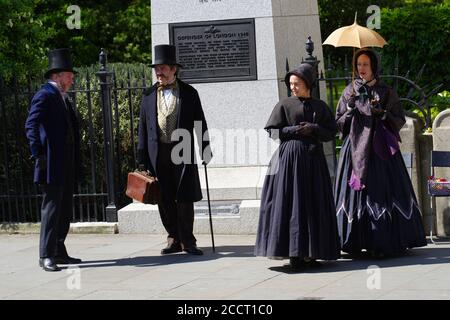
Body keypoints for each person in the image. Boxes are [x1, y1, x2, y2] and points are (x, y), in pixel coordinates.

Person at [335, 47, 427, 258]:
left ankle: (382, 241)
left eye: (366, 64)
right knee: (355, 195)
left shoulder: (385, 91)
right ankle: (355, 241)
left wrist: (382, 114)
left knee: (380, 190)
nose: (362, 68)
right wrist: (350, 109)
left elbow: (399, 118)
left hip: (380, 151)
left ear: (374, 66)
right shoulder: (350, 91)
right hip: (356, 150)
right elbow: (338, 122)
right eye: (359, 65)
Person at [254, 63, 340, 270]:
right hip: (289, 162)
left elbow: (331, 132)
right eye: (291, 84)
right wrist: (294, 130)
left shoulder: (320, 106)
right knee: (292, 203)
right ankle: (294, 253)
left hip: (313, 162)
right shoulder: (284, 105)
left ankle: (312, 252)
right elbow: (274, 132)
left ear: (308, 83)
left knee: (312, 204)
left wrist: (314, 128)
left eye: (297, 83)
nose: (293, 87)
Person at [137, 44, 212, 256]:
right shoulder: (148, 94)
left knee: (185, 197)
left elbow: (200, 123)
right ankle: (173, 239)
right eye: (156, 69)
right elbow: (142, 127)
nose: (158, 73)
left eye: (162, 68)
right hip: (157, 153)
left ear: (173, 69)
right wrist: (142, 158)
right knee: (164, 197)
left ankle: (188, 240)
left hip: (183, 149)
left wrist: (205, 148)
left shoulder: (190, 93)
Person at [25, 48, 82, 272]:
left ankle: (59, 250)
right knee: (51, 208)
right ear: (57, 76)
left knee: (65, 207)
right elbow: (31, 124)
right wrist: (38, 153)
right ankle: (46, 255)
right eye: (69, 75)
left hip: (65, 162)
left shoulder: (62, 97)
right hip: (50, 162)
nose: (72, 78)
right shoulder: (44, 95)